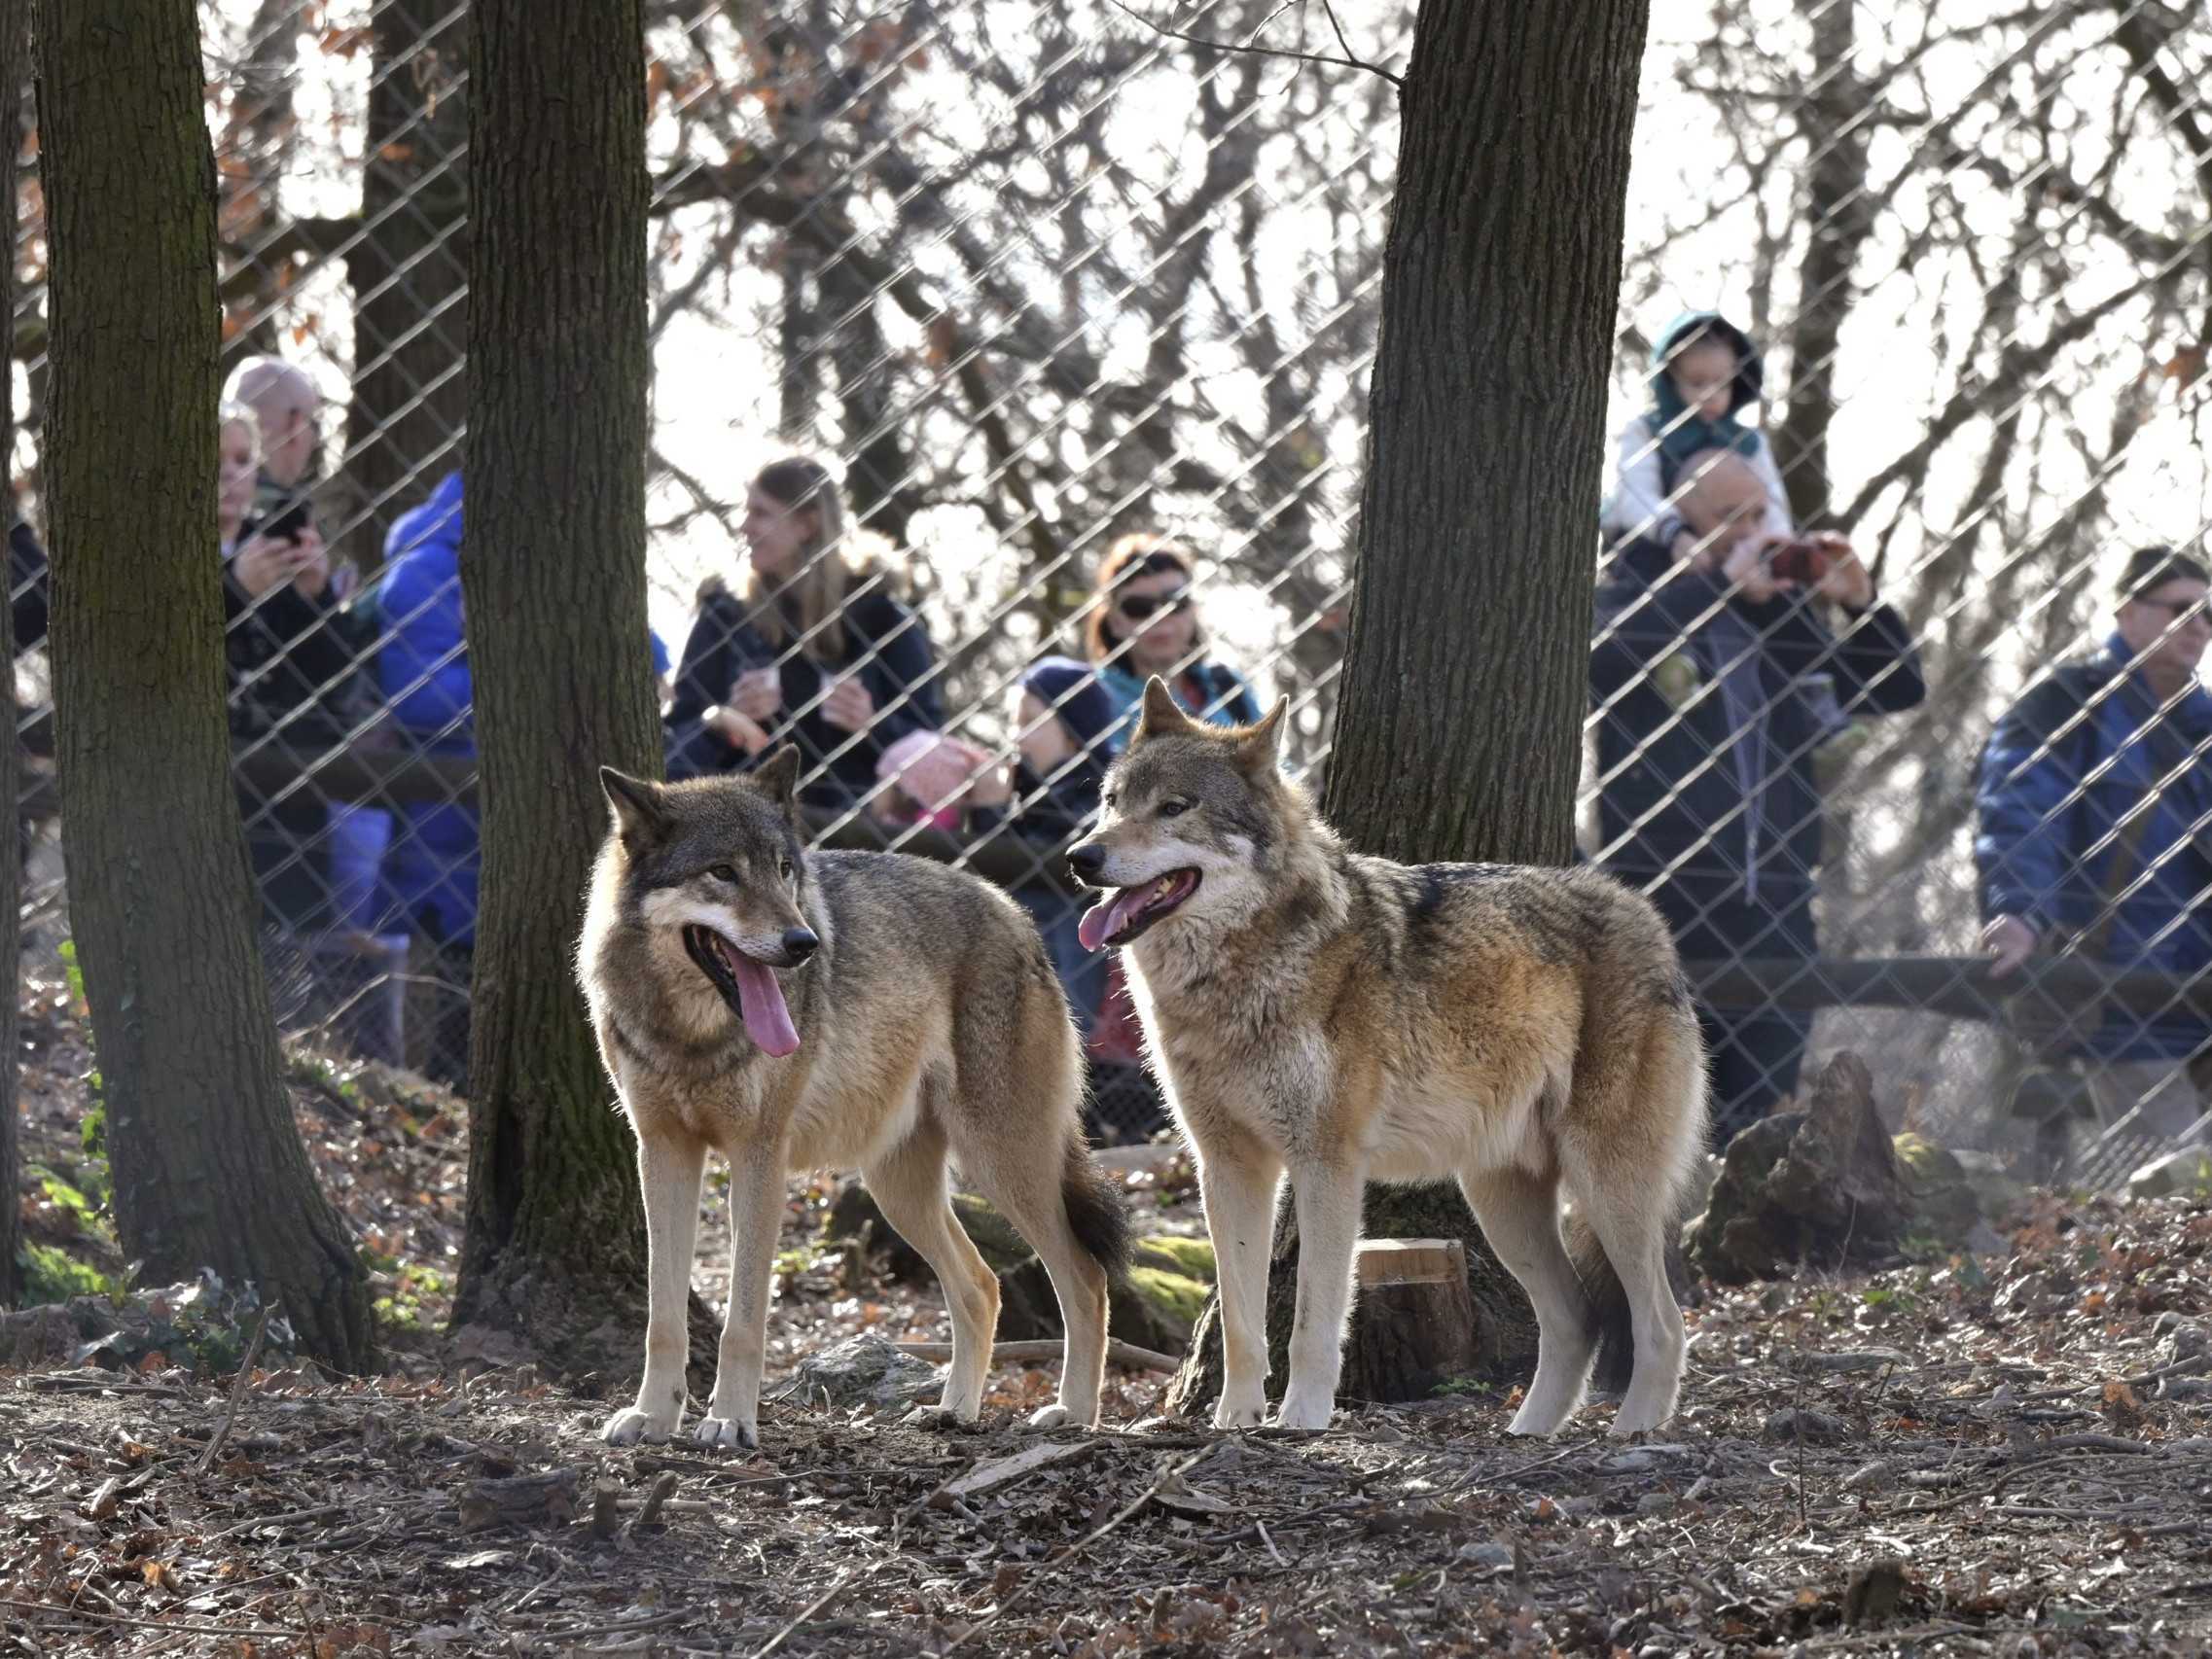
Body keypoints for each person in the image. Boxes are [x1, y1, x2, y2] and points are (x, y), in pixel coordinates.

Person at [1591, 410, 1925, 1146]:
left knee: (1762, 1110)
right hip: (1663, 902)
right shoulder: (1636, 596)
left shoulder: (1783, 622)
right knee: (1662, 1117)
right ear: (1678, 520)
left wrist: (1858, 602)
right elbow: (1603, 663)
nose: (1747, 531)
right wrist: (1708, 585)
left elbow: (1895, 690)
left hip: (1776, 899)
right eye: (1724, 517)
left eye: (1756, 514)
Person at [1977, 546, 2212, 1149]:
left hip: (2200, 983)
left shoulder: (2204, 724)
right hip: (2113, 990)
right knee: (2175, 1174)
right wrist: (2020, 910)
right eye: (2181, 608)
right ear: (2129, 611)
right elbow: (2020, 810)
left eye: (2209, 615)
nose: (2198, 627)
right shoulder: (2064, 703)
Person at [665, 456, 942, 809]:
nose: (743, 526)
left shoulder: (883, 618)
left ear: (807, 525)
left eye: (760, 513)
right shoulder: (726, 615)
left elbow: (932, 744)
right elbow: (672, 738)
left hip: (858, 825)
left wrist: (873, 724)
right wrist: (720, 720)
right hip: (738, 819)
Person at [219, 401, 355, 937]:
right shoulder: (159, 553)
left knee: (289, 950)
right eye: (217, 462)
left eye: (243, 458)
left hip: (288, 782)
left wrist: (316, 595)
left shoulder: (274, 540)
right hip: (207, 778)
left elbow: (330, 674)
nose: (231, 473)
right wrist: (233, 590)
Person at [968, 656, 1124, 1036]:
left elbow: (1050, 848)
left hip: (1071, 977)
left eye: (1029, 723)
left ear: (1073, 731)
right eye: (1012, 723)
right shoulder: (1029, 793)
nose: (1016, 737)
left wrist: (993, 812)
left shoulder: (1098, 792)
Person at [1085, 534, 1259, 744]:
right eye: (1139, 607)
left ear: (1194, 610)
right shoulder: (1092, 698)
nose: (1160, 617)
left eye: (1175, 602)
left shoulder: (1227, 686)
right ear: (1113, 622)